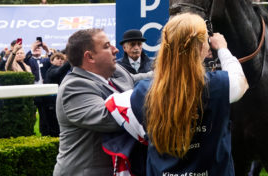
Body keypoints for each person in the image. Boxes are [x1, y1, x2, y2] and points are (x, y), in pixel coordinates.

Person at [131, 13, 248, 175]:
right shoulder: (216, 85)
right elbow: (241, 82)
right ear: (201, 48)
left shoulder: (141, 92)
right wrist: (222, 48)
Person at [53, 28, 144, 176]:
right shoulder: (74, 87)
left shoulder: (117, 73)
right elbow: (114, 118)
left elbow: (144, 80)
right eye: (107, 46)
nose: (115, 50)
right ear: (90, 57)